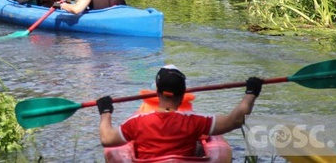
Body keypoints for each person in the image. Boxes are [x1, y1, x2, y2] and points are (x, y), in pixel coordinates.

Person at [97, 65, 264, 160]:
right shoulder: (196, 121)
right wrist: (251, 93)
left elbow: (107, 139)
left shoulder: (136, 122)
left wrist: (106, 111)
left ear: (157, 92)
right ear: (184, 95)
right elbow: (235, 120)